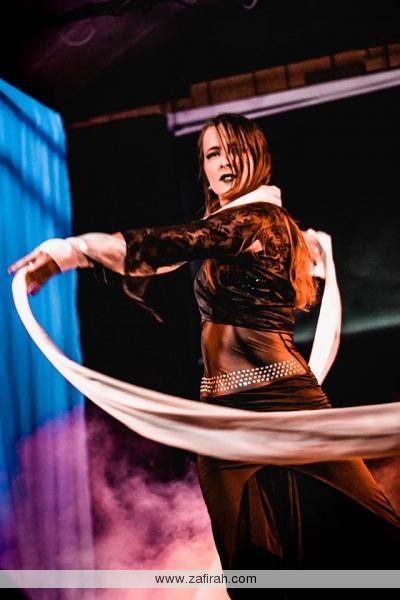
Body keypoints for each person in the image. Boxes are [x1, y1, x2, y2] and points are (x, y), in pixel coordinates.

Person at [8, 113, 400, 593]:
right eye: (213, 154)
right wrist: (76, 254)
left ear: (258, 157)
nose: (224, 161)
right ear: (205, 170)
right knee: (247, 569)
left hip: (284, 401)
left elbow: (171, 243)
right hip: (220, 416)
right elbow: (173, 251)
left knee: (376, 529)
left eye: (235, 150)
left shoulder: (261, 219)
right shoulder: (224, 230)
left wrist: (70, 252)